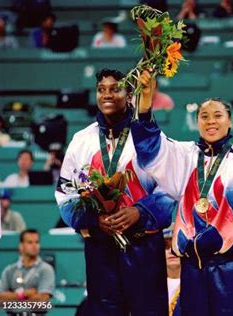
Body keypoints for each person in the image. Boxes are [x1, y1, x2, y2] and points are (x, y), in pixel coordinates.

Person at [132, 47, 233, 315]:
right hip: (192, 269)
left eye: (217, 116)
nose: (210, 121)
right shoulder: (184, 156)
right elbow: (148, 143)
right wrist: (145, 99)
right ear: (196, 122)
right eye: (204, 116)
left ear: (230, 122)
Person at [55, 68, 176, 315]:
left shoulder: (148, 137)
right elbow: (66, 193)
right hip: (101, 247)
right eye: (101, 89)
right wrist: (94, 219)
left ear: (130, 94)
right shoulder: (81, 140)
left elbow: (170, 187)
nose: (107, 94)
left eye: (115, 88)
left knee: (148, 310)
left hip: (143, 245)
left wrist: (139, 212)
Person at [0, 229, 55, 306]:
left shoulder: (46, 269)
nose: (34, 246)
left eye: (37, 242)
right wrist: (25, 294)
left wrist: (11, 297)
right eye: (30, 242)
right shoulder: (9, 270)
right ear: (21, 246)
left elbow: (43, 299)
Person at [164, 226, 181, 316]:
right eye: (165, 246)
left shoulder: (198, 283)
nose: (171, 251)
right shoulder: (150, 287)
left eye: (175, 246)